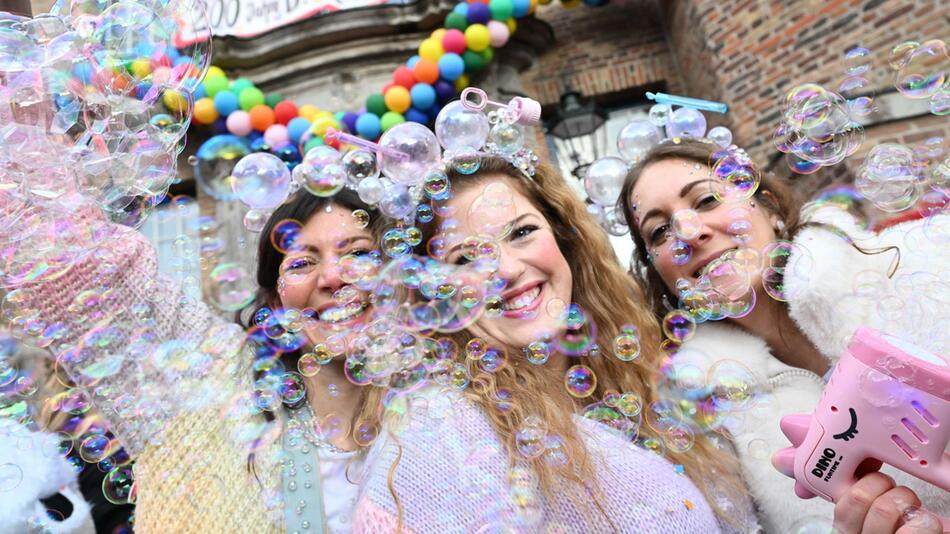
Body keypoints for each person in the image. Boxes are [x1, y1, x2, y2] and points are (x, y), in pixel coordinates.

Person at [350, 155, 762, 533]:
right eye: (466, 259)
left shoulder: (645, 378)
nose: (507, 269)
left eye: (522, 232)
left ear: (566, 239)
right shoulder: (435, 434)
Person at [2, 188, 396, 533]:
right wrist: (40, 177)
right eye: (302, 262)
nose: (333, 277)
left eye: (359, 253)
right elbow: (88, 283)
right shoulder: (213, 382)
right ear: (276, 303)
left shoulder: (440, 408)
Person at [618, 138, 950, 533]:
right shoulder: (709, 425)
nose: (688, 233)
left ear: (770, 207)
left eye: (706, 201)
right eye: (659, 232)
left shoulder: (928, 261)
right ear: (662, 275)